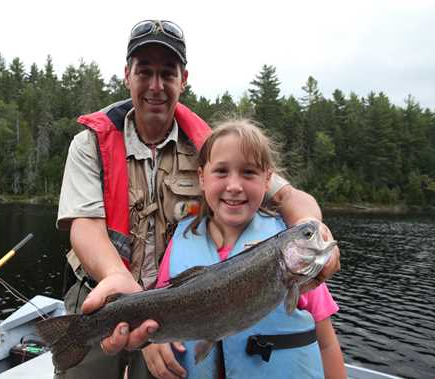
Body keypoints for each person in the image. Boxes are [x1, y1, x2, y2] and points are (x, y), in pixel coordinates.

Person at [56, 19, 340, 379]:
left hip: (180, 309)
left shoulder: (215, 152)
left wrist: (313, 230)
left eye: (167, 73)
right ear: (127, 75)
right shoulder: (89, 145)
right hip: (100, 298)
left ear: (183, 79)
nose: (156, 85)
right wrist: (117, 277)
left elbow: (289, 197)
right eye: (144, 72)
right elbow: (84, 227)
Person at [144, 119, 346, 379]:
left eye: (249, 173)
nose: (234, 186)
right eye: (221, 172)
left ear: (267, 180)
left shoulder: (294, 261)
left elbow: (327, 343)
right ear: (201, 178)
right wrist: (153, 340)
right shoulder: (181, 241)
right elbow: (158, 308)